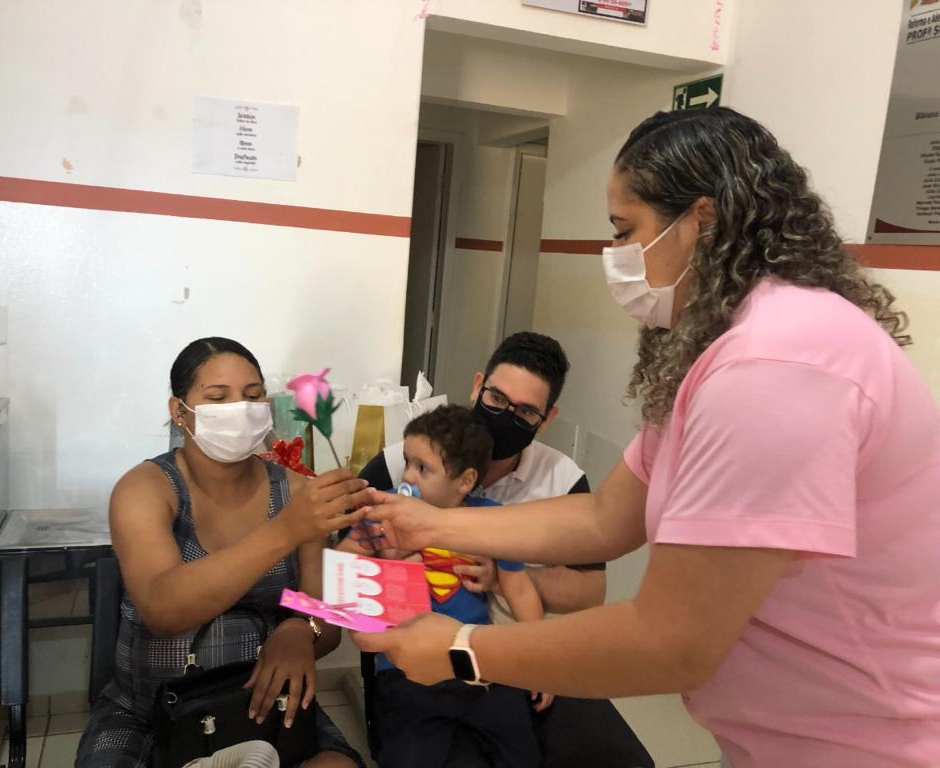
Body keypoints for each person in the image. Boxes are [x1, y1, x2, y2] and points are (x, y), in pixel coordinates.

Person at [352, 107, 940, 768]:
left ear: (701, 220)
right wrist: (429, 523)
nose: (616, 257)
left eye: (625, 231)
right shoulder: (731, 349)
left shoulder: (775, 367)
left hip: (873, 743)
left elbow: (670, 641)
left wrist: (462, 649)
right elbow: (605, 518)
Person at [358, 331, 652, 767]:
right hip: (416, 662)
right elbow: (348, 553)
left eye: (525, 411)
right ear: (478, 385)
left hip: (511, 659)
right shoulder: (407, 459)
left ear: (547, 419)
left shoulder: (563, 480)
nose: (505, 416)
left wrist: (502, 578)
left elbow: (590, 592)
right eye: (496, 398)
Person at [76, 337, 371, 768]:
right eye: (218, 398)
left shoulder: (297, 492)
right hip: (150, 712)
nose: (240, 409)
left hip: (262, 704)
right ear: (179, 411)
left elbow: (325, 617)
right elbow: (163, 610)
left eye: (253, 396)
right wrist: (285, 530)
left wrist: (300, 630)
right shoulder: (145, 489)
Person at [341, 405, 550, 767]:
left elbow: (519, 590)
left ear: (465, 481)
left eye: (423, 468)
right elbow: (343, 562)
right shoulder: (384, 510)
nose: (407, 475)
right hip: (405, 669)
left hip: (481, 662)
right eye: (407, 462)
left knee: (522, 752)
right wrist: (386, 562)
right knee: (408, 756)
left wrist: (541, 662)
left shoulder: (491, 520)